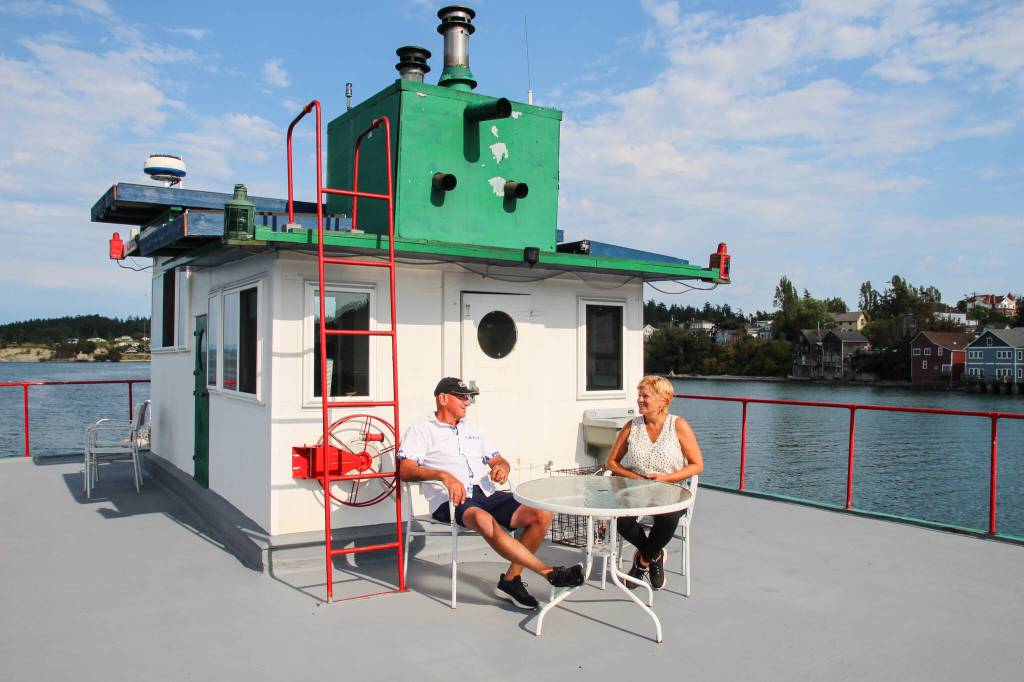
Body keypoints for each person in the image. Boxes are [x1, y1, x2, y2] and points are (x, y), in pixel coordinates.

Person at [397, 377, 584, 610]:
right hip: (451, 499)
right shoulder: (421, 429)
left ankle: (510, 581)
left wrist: (502, 467)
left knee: (541, 513)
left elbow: (497, 459)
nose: (467, 403)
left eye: (468, 398)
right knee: (482, 519)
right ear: (443, 399)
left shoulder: (474, 429)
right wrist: (444, 476)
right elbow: (405, 470)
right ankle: (548, 573)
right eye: (462, 397)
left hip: (486, 493)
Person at [605, 375, 704, 590]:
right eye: (639, 396)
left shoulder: (678, 425)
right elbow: (611, 462)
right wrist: (636, 479)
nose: (640, 400)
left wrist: (664, 479)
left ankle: (641, 564)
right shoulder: (632, 425)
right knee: (623, 522)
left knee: (668, 518)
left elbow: (697, 465)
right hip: (635, 489)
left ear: (663, 400)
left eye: (645, 396)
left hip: (670, 488)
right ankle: (655, 555)